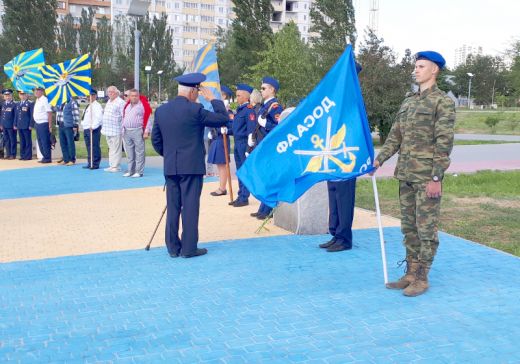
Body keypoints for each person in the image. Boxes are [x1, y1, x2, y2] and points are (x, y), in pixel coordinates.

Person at [371, 51, 456, 297]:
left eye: (421, 66)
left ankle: (422, 277)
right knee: (409, 227)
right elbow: (395, 136)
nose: (416, 70)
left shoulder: (442, 101)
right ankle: (410, 271)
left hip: (427, 176)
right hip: (406, 174)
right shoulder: (408, 101)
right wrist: (380, 159)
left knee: (426, 228)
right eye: (415, 66)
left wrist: (436, 177)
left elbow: (444, 142)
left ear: (434, 70)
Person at [152, 72, 229, 258]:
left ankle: (173, 248)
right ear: (193, 92)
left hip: (171, 166)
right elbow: (223, 118)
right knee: (190, 207)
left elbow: (156, 140)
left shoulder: (162, 111)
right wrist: (212, 99)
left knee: (173, 207)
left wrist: (170, 155)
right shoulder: (196, 110)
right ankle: (188, 248)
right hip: (192, 167)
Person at [320, 62, 363, 253]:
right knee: (334, 196)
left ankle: (345, 238)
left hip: (345, 157)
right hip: (332, 153)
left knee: (344, 199)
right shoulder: (336, 98)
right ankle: (335, 234)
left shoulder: (353, 99)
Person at [249, 76, 284, 219]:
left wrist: (266, 124)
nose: (261, 91)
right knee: (265, 178)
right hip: (262, 145)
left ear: (272, 89)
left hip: (270, 146)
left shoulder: (275, 107)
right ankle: (263, 207)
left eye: (264, 88)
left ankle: (268, 209)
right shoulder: (265, 106)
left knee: (270, 178)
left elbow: (279, 127)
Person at [227, 83, 256, 207]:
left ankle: (244, 197)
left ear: (245, 96)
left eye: (239, 95)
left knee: (244, 170)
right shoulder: (240, 110)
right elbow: (236, 128)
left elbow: (251, 129)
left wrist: (250, 147)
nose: (237, 97)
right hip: (238, 142)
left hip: (244, 143)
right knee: (239, 170)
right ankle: (241, 195)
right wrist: (227, 131)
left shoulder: (248, 110)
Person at [207, 85, 233, 196]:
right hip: (216, 138)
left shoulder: (228, 110)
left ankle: (222, 188)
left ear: (224, 95)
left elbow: (232, 126)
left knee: (222, 165)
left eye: (220, 94)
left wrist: (227, 130)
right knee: (219, 164)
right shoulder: (218, 109)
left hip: (222, 139)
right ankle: (221, 186)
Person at [122, 89, 152, 178]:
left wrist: (146, 131)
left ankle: (139, 171)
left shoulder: (142, 106)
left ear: (138, 96)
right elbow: (123, 117)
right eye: (132, 96)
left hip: (137, 131)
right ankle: (130, 170)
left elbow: (148, 119)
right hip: (127, 131)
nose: (134, 97)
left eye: (136, 96)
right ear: (129, 97)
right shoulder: (127, 106)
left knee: (139, 152)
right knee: (130, 153)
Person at [102, 86, 126, 172]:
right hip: (107, 129)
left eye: (112, 92)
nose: (110, 93)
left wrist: (122, 128)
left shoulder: (120, 102)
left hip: (116, 129)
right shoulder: (109, 101)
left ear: (116, 93)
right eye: (108, 92)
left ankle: (116, 166)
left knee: (116, 148)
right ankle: (111, 165)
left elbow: (123, 116)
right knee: (111, 148)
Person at [81, 89, 103, 170]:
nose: (89, 97)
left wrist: (93, 126)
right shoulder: (89, 105)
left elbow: (99, 118)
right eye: (88, 96)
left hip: (93, 129)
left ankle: (95, 163)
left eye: (91, 95)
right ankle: (90, 162)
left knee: (94, 146)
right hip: (87, 128)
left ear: (95, 96)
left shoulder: (97, 106)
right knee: (89, 146)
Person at [56, 97, 80, 166]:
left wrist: (75, 125)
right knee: (62, 143)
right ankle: (66, 159)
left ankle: (72, 159)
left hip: (68, 125)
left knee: (70, 143)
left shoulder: (72, 102)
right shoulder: (59, 102)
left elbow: (76, 114)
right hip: (60, 124)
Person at [33, 86, 53, 163]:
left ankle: (48, 158)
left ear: (42, 92)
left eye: (38, 91)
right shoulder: (37, 100)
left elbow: (49, 113)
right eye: (35, 91)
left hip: (43, 123)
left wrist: (50, 125)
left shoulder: (45, 100)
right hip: (37, 123)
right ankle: (44, 156)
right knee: (40, 141)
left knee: (45, 141)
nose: (36, 92)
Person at [15, 91, 34, 160]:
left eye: (24, 94)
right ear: (19, 95)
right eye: (21, 94)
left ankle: (28, 156)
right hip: (19, 125)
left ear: (26, 95)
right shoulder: (18, 104)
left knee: (27, 141)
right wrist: (15, 124)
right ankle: (22, 155)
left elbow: (32, 115)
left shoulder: (30, 103)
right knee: (22, 141)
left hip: (26, 125)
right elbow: (16, 115)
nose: (22, 96)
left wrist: (31, 124)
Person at [1, 89, 18, 160]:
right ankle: (8, 154)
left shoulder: (14, 104)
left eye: (8, 95)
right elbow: (1, 115)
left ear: (11, 96)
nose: (7, 97)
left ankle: (13, 154)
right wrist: (1, 124)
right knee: (6, 140)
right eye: (6, 95)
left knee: (12, 140)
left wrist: (15, 124)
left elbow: (16, 116)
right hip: (4, 125)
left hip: (11, 126)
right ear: (3, 96)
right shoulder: (3, 104)